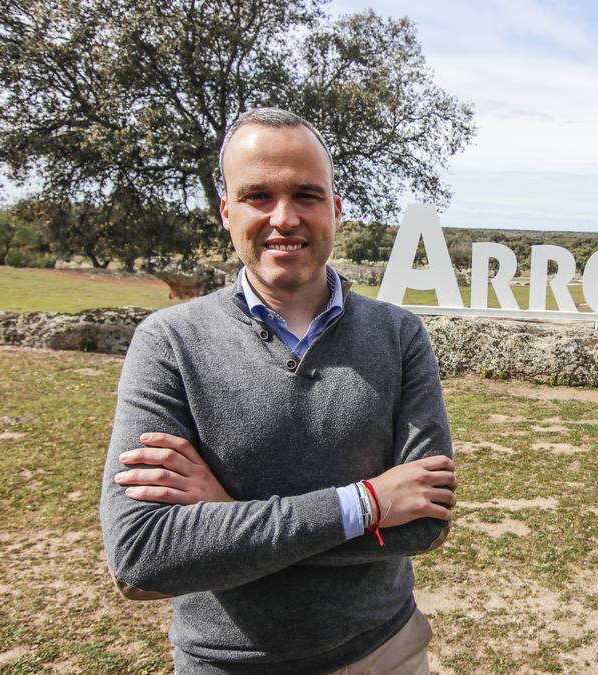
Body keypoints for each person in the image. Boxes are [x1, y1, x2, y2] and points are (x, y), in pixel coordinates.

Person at [98, 107, 456, 674]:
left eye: (307, 196)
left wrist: (225, 519)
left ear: (336, 211)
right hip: (228, 663)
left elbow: (423, 520)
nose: (284, 218)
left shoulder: (399, 334)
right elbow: (144, 555)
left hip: (384, 651)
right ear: (226, 211)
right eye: (258, 195)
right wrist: (367, 504)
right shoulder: (168, 342)